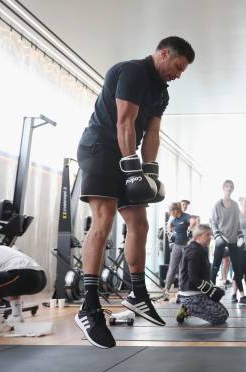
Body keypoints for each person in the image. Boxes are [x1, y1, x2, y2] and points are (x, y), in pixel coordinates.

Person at [75, 36, 195, 348]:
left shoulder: (161, 92)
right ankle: (88, 307)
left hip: (126, 154)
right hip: (100, 149)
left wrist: (150, 170)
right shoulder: (130, 72)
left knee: (139, 223)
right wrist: (131, 164)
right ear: (164, 54)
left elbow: (152, 132)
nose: (179, 75)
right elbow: (125, 122)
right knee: (103, 222)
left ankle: (137, 293)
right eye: (178, 67)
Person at [210, 180, 246, 306]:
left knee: (238, 269)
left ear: (232, 189)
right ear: (223, 188)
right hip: (221, 239)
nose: (229, 188)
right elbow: (213, 222)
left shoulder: (235, 204)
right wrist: (217, 234)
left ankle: (242, 296)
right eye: (227, 186)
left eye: (231, 187)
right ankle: (210, 294)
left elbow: (237, 222)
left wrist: (241, 235)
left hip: (234, 240)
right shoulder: (217, 204)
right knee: (215, 266)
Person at [176, 224, 229, 325]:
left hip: (196, 292)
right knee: (221, 316)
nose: (210, 237)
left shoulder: (200, 248)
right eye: (207, 235)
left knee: (224, 313)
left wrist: (211, 289)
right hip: (191, 294)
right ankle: (188, 309)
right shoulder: (194, 251)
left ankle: (187, 306)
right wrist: (210, 290)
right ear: (198, 236)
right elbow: (193, 278)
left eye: (211, 235)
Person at [163, 202, 191, 301]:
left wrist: (191, 232)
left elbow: (195, 223)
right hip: (177, 247)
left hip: (186, 247)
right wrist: (170, 234)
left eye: (171, 212)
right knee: (172, 268)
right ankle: (166, 291)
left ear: (175, 210)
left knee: (182, 270)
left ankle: (181, 292)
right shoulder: (174, 220)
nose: (170, 214)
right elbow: (169, 227)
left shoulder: (186, 217)